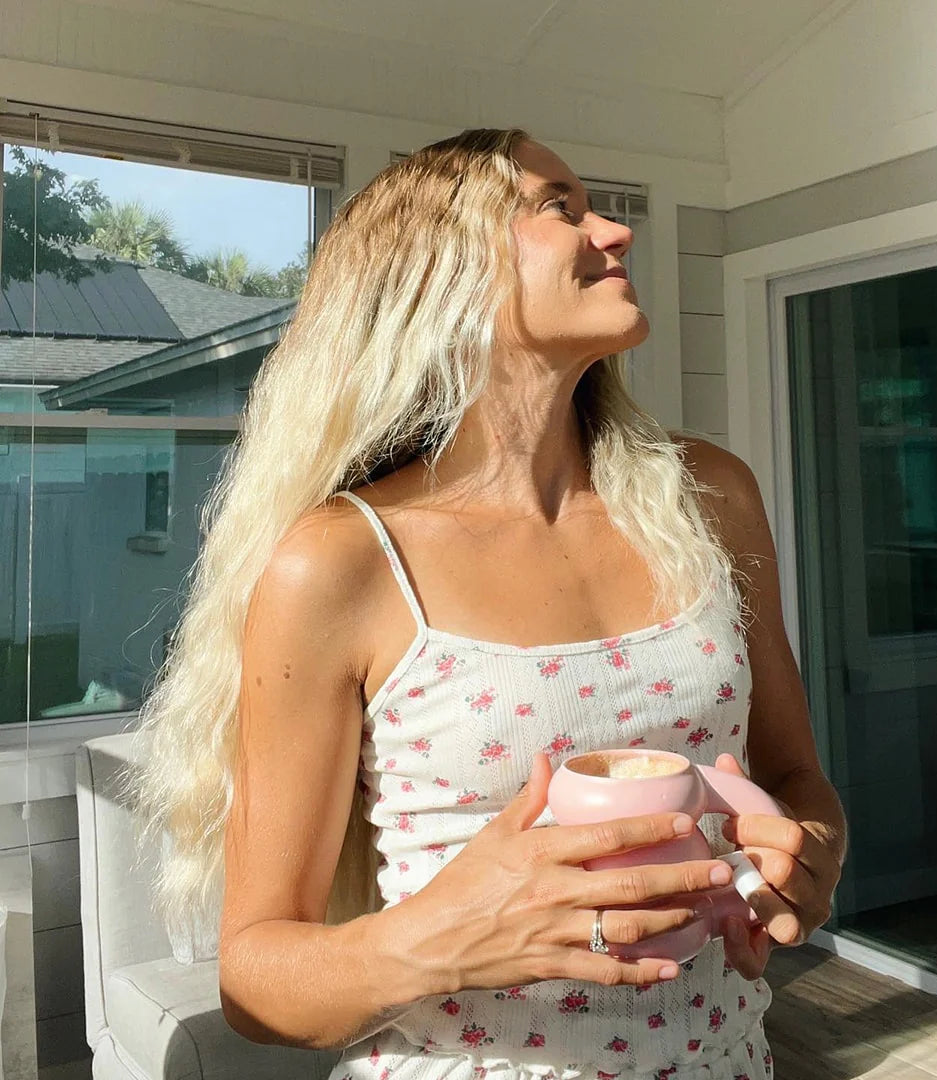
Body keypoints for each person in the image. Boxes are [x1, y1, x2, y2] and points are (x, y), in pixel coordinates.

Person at [127, 127, 846, 1080]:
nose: (615, 230)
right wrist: (446, 936)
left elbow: (797, 779)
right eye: (560, 206)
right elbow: (256, 982)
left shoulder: (711, 496)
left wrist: (807, 857)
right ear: (441, 269)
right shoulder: (340, 563)